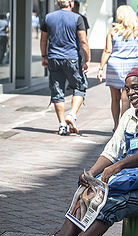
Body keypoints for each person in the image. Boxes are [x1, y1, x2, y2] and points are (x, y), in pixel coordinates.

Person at [53, 64, 138, 236]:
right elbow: (112, 150)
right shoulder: (128, 116)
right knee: (86, 196)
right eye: (127, 89)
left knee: (111, 204)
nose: (130, 93)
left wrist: (119, 166)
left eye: (136, 87)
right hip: (134, 180)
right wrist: (91, 174)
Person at [40, 0, 90, 136]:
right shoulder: (77, 18)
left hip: (54, 58)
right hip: (72, 58)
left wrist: (44, 56)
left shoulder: (48, 17)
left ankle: (62, 125)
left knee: (57, 91)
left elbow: (43, 39)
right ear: (71, 3)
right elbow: (83, 41)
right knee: (80, 87)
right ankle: (72, 115)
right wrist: (87, 59)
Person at [97, 5, 138, 132]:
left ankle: (116, 125)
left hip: (114, 65)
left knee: (115, 97)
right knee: (127, 95)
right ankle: (124, 126)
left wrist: (101, 68)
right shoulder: (136, 32)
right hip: (131, 66)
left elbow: (107, 50)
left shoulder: (113, 32)